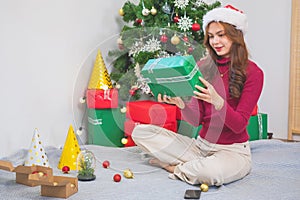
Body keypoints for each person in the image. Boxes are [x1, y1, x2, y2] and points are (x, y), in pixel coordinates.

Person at [132, 5, 264, 186]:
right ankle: (193, 165)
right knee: (141, 132)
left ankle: (176, 167)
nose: (215, 41)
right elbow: (197, 120)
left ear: (236, 35)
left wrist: (218, 102)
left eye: (221, 34)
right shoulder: (203, 67)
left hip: (232, 151)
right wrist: (181, 104)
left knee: (210, 172)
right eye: (211, 36)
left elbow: (240, 125)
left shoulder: (254, 73)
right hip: (199, 147)